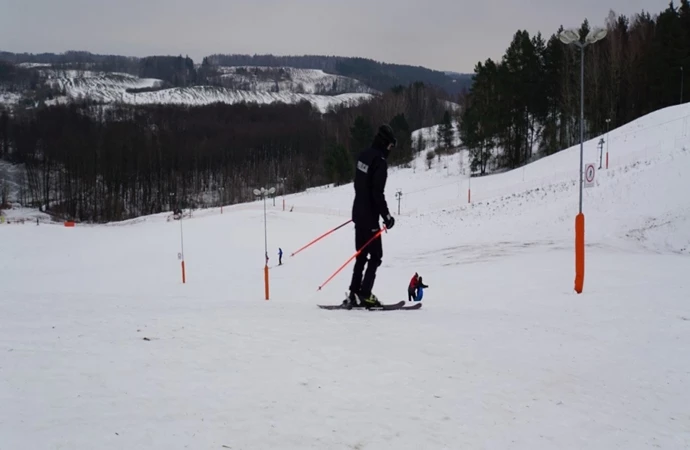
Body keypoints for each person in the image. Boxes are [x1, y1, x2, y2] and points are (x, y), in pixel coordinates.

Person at [346, 124, 397, 308]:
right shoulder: (380, 162)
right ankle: (365, 294)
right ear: (385, 143)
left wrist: (361, 206)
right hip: (370, 218)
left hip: (358, 213)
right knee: (375, 256)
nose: (390, 150)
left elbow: (359, 185)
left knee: (361, 255)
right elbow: (377, 193)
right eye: (391, 146)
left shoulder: (364, 155)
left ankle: (353, 293)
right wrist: (387, 217)